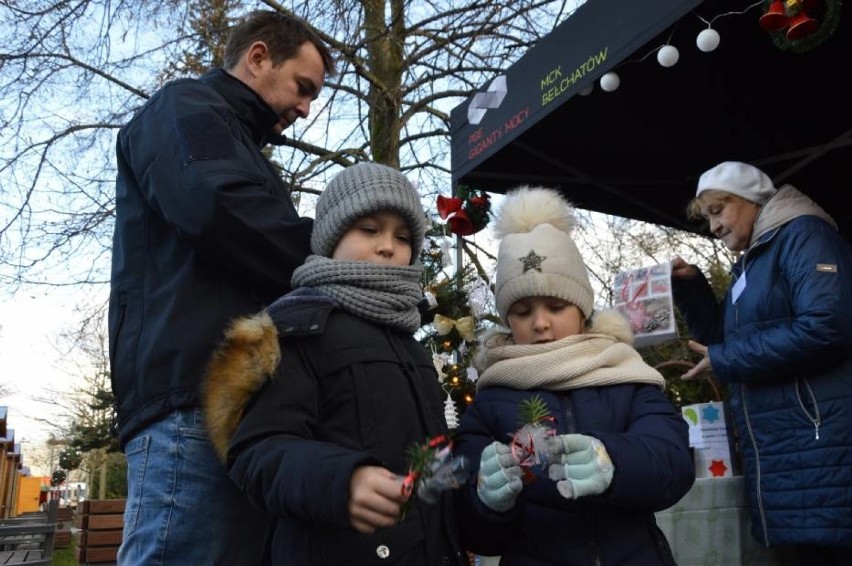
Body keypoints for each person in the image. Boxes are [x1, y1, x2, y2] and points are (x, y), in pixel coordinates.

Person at [108, 10, 336, 565]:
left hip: (228, 402)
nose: (305, 109)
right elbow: (215, 208)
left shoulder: (238, 145)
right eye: (302, 88)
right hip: (191, 398)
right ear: (258, 57)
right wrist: (335, 255)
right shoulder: (186, 107)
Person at [202, 161, 469, 565]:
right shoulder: (301, 327)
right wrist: (342, 481)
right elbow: (257, 453)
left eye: (403, 236)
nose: (387, 246)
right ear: (332, 235)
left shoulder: (412, 344)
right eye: (369, 229)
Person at [452, 186, 695, 565]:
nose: (541, 323)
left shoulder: (626, 376)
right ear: (505, 318)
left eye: (556, 305)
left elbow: (675, 465)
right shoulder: (489, 402)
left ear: (582, 309)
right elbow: (476, 535)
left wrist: (614, 460)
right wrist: (485, 500)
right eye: (522, 310)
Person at [670, 160, 852, 563]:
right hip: (790, 455)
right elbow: (726, 342)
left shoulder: (804, 235)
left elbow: (828, 326)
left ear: (751, 199)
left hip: (823, 449)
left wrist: (726, 358)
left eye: (718, 211)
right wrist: (692, 288)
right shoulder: (754, 261)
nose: (713, 227)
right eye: (708, 218)